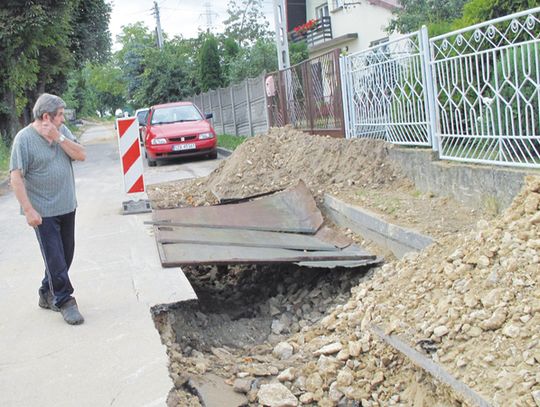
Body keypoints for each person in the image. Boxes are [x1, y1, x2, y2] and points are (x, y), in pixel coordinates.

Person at [10, 93, 86, 325]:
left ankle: (46, 291)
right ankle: (64, 299)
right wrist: (28, 209)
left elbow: (81, 155)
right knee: (55, 257)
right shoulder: (23, 139)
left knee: (65, 255)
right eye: (60, 115)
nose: (63, 119)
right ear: (47, 116)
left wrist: (59, 138)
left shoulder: (62, 133)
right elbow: (16, 177)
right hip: (43, 213)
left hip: (67, 206)